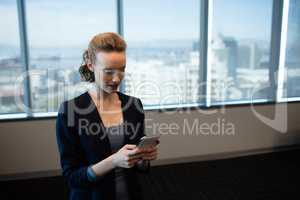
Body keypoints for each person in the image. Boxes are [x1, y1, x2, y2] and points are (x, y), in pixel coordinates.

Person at [56, 32, 159, 200]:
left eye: (122, 70)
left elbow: (136, 164)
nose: (117, 79)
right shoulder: (70, 111)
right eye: (109, 72)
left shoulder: (134, 105)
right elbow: (72, 177)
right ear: (90, 65)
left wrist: (143, 158)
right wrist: (113, 161)